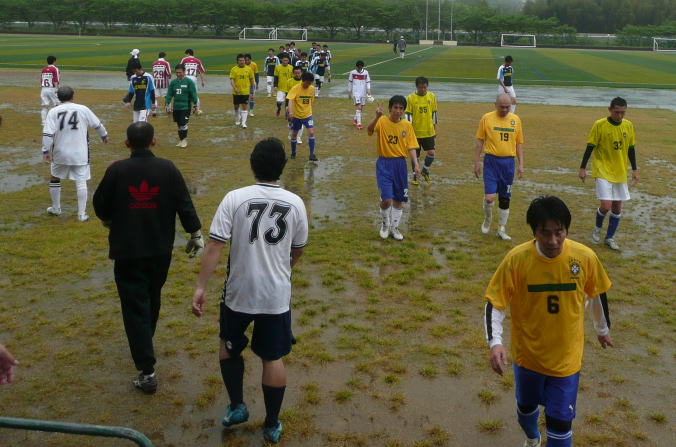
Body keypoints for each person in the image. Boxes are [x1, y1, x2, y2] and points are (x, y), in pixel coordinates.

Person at [192, 137, 308, 444]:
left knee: (229, 346)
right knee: (273, 357)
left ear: (252, 165)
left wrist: (201, 287)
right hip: (275, 294)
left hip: (239, 292)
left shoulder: (235, 198)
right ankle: (271, 423)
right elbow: (298, 248)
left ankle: (237, 405)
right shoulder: (295, 203)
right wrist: (284, 269)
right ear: (282, 167)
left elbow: (215, 245)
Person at [483, 195, 613, 447]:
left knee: (561, 426)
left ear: (566, 230)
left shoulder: (585, 257)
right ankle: (532, 438)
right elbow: (494, 302)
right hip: (528, 357)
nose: (553, 240)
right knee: (525, 410)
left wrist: (602, 329)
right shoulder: (516, 260)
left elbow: (596, 293)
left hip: (566, 360)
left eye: (559, 232)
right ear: (534, 232)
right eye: (545, 233)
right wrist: (495, 342)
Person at [93, 122, 203, 394]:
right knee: (151, 298)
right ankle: (145, 347)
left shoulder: (117, 170)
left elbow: (100, 205)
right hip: (160, 250)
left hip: (128, 251)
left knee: (136, 306)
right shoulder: (168, 169)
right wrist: (195, 233)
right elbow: (184, 203)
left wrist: (109, 220)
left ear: (127, 144)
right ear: (154, 141)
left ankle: (147, 369)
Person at [579, 97, 638, 251]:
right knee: (606, 205)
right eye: (617, 112)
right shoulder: (599, 125)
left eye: (623, 112)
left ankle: (609, 238)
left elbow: (631, 148)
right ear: (610, 109)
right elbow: (590, 147)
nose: (620, 115)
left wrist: (635, 170)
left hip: (620, 172)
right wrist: (582, 168)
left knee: (617, 207)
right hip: (602, 170)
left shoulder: (628, 125)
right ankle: (597, 228)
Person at [42, 86, 108, 222]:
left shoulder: (53, 111)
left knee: (55, 177)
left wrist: (46, 151)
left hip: (60, 152)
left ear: (58, 97)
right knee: (81, 180)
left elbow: (47, 134)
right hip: (80, 152)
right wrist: (104, 136)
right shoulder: (83, 109)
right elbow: (98, 125)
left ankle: (56, 208)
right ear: (73, 96)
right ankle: (81, 214)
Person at [367, 95, 420, 241]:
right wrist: (376, 117)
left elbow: (411, 146)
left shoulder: (407, 125)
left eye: (401, 108)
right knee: (386, 200)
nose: (398, 111)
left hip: (400, 165)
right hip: (384, 164)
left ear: (404, 110)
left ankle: (394, 228)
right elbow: (369, 130)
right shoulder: (382, 120)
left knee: (398, 200)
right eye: (395, 107)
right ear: (390, 108)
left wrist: (416, 164)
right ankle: (385, 225)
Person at [473, 93, 524, 241]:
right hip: (491, 162)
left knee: (505, 198)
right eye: (502, 107)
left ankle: (501, 229)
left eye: (508, 107)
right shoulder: (486, 118)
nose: (505, 110)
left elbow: (519, 144)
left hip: (508, 164)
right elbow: (480, 142)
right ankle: (488, 219)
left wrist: (521, 164)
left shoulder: (516, 120)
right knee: (490, 198)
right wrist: (476, 162)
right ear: (495, 105)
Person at [405, 76, 438, 185]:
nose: (423, 89)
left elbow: (434, 113)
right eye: (420, 87)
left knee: (431, 153)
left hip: (428, 131)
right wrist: (409, 130)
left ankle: (425, 171)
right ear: (416, 87)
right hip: (415, 132)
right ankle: (415, 176)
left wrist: (435, 128)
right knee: (416, 156)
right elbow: (408, 116)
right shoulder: (410, 98)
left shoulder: (431, 96)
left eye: (424, 87)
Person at [165, 64, 199, 148]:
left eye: (180, 72)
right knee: (179, 124)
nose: (178, 74)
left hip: (186, 107)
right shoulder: (173, 82)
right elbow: (169, 94)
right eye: (176, 72)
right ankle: (181, 140)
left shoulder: (189, 82)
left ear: (184, 72)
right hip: (176, 107)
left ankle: (184, 140)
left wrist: (195, 105)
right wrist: (167, 102)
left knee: (183, 124)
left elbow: (193, 94)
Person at [286, 72, 317, 161]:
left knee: (311, 133)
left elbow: (311, 101)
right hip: (296, 116)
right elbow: (290, 101)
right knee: (294, 135)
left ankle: (311, 155)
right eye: (308, 82)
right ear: (303, 81)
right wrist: (290, 113)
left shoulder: (312, 89)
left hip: (307, 115)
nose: (309, 85)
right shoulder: (295, 88)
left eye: (310, 83)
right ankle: (293, 153)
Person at [230, 54, 255, 129]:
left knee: (244, 106)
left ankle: (244, 123)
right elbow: (232, 80)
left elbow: (252, 80)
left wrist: (251, 92)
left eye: (243, 60)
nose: (242, 62)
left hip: (245, 91)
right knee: (236, 107)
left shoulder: (249, 69)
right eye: (240, 60)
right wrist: (235, 88)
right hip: (236, 92)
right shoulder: (234, 69)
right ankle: (237, 117)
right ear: (237, 61)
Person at [348, 60, 372, 129]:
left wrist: (368, 90)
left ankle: (355, 119)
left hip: (363, 92)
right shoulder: (352, 72)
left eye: (361, 67)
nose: (359, 69)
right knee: (358, 107)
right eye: (358, 67)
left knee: (361, 107)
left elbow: (368, 82)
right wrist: (349, 92)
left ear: (362, 67)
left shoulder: (366, 72)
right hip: (356, 92)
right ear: (356, 67)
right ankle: (359, 124)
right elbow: (350, 83)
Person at [285, 67, 304, 144]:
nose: (297, 74)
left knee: (301, 121)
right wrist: (286, 106)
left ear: (301, 73)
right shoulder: (289, 82)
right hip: (291, 103)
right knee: (291, 122)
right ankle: (291, 133)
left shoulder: (303, 82)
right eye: (296, 73)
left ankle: (298, 137)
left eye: (299, 73)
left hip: (301, 105)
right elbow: (287, 94)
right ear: (293, 73)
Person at [40, 55, 60, 125]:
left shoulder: (43, 69)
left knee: (44, 106)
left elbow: (41, 79)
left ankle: (43, 122)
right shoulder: (55, 69)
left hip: (43, 89)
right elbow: (56, 79)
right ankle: (57, 121)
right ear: (54, 61)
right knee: (57, 105)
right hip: (52, 89)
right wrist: (56, 89)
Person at [151, 52, 172, 116]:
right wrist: (169, 77)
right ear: (164, 56)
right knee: (166, 96)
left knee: (154, 97)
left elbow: (152, 73)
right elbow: (169, 73)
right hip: (164, 83)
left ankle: (154, 111)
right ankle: (168, 110)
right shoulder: (166, 63)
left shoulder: (154, 63)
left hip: (155, 83)